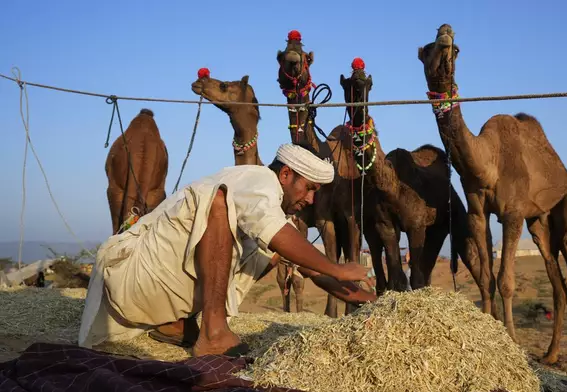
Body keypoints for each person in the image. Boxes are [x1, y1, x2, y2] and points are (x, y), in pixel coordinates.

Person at [78, 142, 376, 357]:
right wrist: (337, 266)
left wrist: (372, 300)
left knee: (269, 249)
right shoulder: (259, 180)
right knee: (216, 203)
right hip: (129, 281)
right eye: (309, 188)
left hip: (148, 301)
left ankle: (174, 322)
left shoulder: (268, 207)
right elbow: (279, 236)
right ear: (285, 175)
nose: (310, 200)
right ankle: (213, 333)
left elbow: (312, 269)